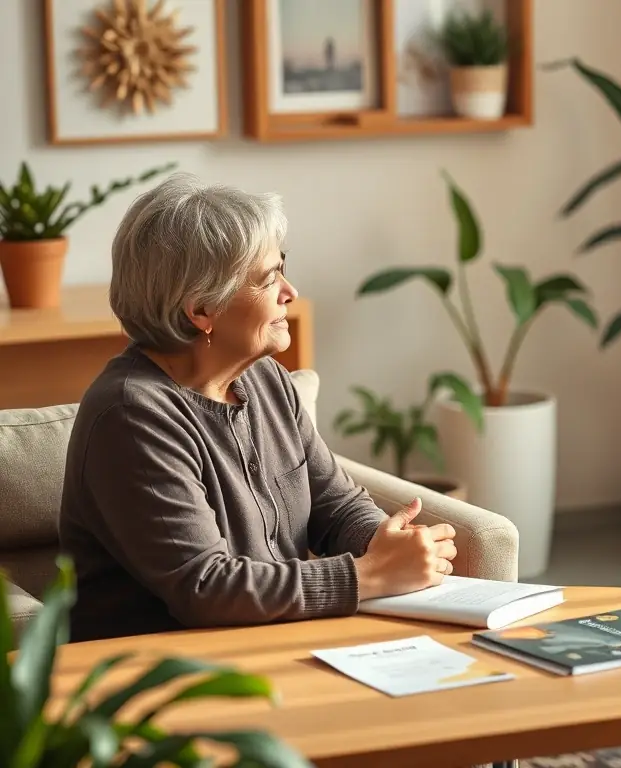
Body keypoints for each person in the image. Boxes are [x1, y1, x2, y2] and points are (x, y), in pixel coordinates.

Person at [58, 174, 457, 642]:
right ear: (202, 310)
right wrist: (370, 575)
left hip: (270, 638)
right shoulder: (131, 416)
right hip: (167, 674)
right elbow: (205, 586)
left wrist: (387, 543)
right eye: (269, 279)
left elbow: (335, 504)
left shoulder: (264, 379)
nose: (290, 292)